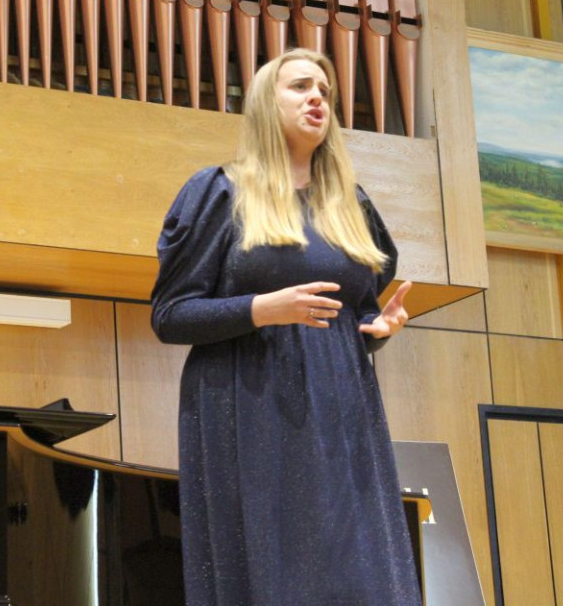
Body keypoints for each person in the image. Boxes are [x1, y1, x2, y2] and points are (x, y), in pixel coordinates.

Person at [150, 48, 422, 606]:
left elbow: (358, 312)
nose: (317, 97)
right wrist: (261, 309)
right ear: (264, 104)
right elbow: (170, 315)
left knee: (359, 576)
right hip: (249, 411)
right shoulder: (220, 192)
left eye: (324, 89)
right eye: (300, 87)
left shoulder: (351, 206)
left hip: (341, 411)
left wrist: (379, 325)